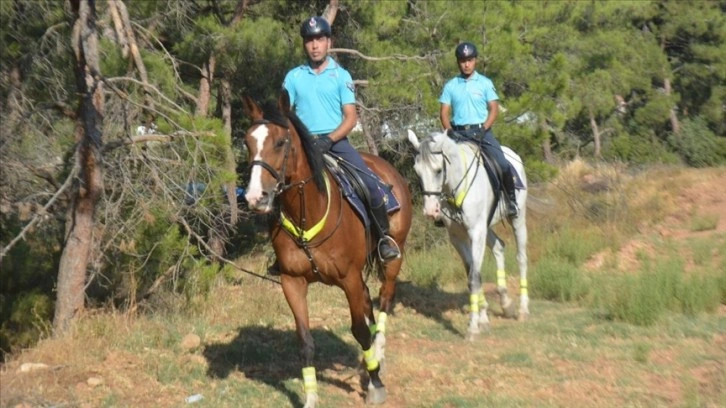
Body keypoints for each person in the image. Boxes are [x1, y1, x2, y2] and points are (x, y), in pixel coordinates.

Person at [276, 16, 400, 269]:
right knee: (275, 187)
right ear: (305, 45)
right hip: (303, 146)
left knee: (370, 185)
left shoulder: (341, 75)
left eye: (319, 39)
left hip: (336, 143)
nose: (314, 45)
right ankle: (280, 249)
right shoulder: (293, 77)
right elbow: (284, 113)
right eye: (310, 40)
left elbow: (351, 117)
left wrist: (328, 140)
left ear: (329, 42)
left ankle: (383, 239)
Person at [439, 41, 519, 218]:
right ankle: (442, 209)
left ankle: (511, 201)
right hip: (457, 134)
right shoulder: (451, 85)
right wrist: (449, 130)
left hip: (481, 132)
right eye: (462, 60)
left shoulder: (485, 83)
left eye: (470, 60)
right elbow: (444, 113)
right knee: (440, 165)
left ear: (475, 61)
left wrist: (484, 128)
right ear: (458, 62)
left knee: (502, 162)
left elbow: (494, 108)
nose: (466, 64)